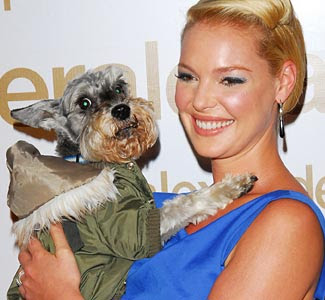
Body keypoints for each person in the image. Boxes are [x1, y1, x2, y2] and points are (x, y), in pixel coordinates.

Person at [16, 0, 325, 299]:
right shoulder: (149, 210)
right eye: (188, 77)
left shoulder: (287, 226)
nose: (200, 100)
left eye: (230, 80)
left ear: (282, 82)